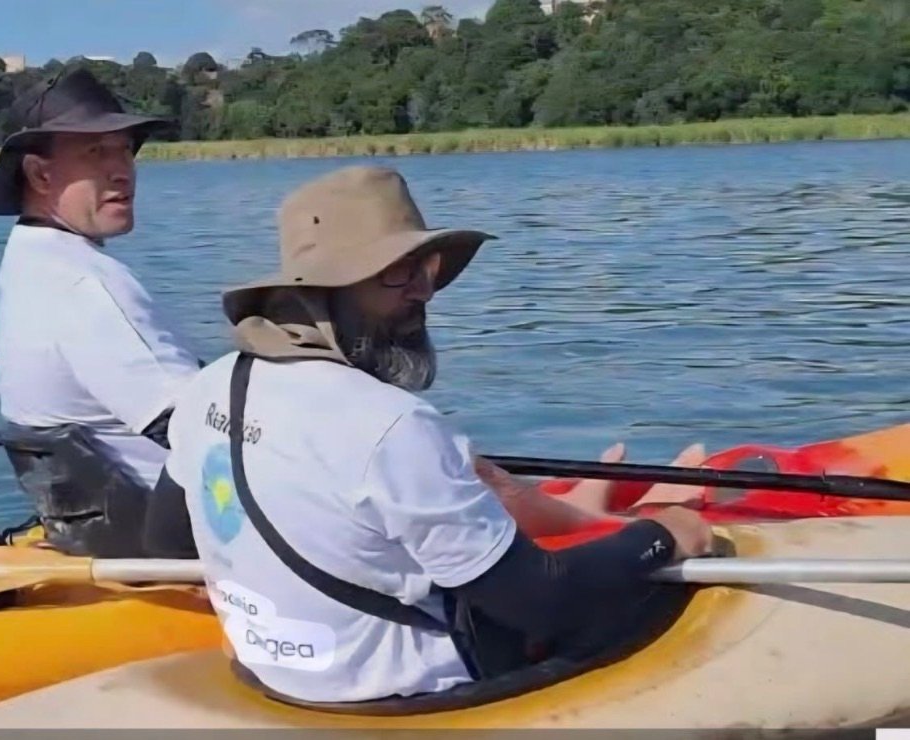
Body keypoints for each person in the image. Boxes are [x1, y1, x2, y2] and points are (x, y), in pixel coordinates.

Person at [158, 165, 715, 705]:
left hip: (275, 673)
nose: (423, 292)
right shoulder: (393, 426)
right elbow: (546, 602)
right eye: (397, 273)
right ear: (323, 291)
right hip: (406, 688)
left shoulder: (209, 387)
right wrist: (662, 536)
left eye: (426, 269)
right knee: (644, 591)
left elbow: (163, 538)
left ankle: (564, 515)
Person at [0, 67, 204, 558]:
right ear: (40, 174)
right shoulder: (86, 284)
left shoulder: (25, 264)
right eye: (95, 153)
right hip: (172, 542)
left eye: (125, 149)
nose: (121, 169)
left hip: (103, 527)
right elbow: (192, 425)